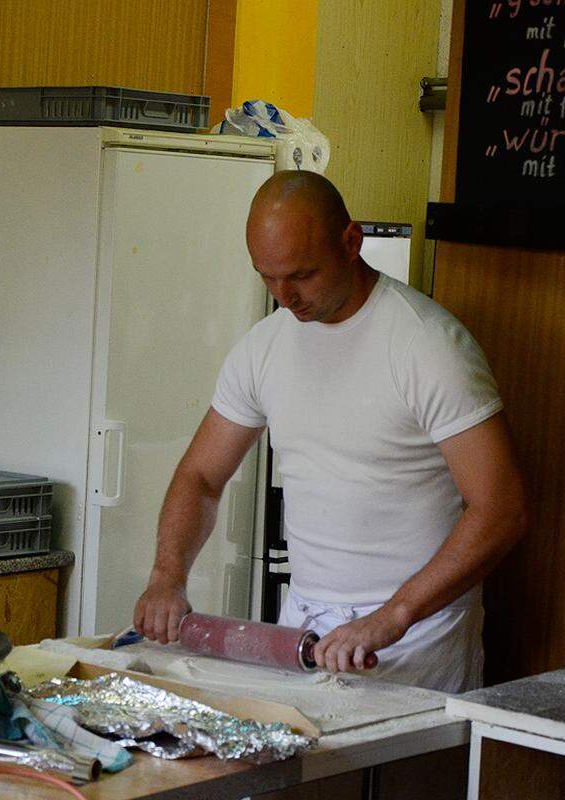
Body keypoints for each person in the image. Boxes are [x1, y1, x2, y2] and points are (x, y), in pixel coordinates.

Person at [132, 170, 527, 693]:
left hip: (418, 629)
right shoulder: (264, 347)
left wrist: (392, 617)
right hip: (306, 625)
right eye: (267, 277)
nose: (284, 296)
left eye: (301, 275)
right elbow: (202, 475)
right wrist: (167, 576)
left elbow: (501, 510)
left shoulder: (427, 346)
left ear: (351, 242)